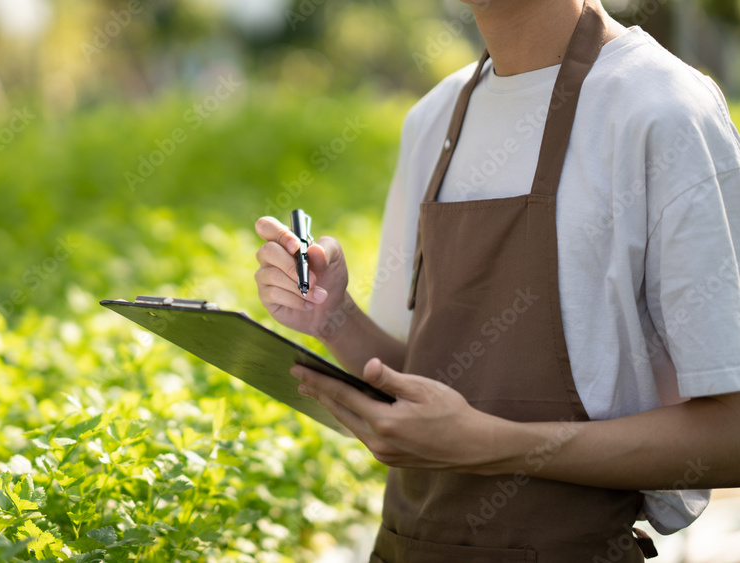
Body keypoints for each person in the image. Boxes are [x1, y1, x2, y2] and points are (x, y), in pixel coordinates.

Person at [253, 0, 740, 560]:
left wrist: (492, 447)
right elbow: (427, 378)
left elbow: (729, 436)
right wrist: (335, 318)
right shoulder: (434, 118)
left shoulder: (663, 109)